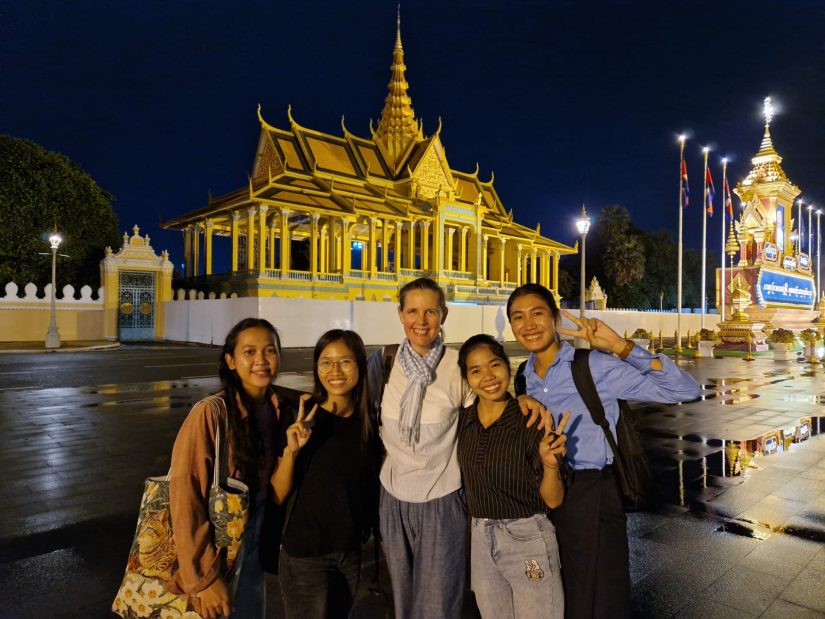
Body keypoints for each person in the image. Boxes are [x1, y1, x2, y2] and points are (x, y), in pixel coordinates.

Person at [506, 283, 701, 619]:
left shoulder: (592, 364)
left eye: (538, 313)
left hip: (592, 490)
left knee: (603, 596)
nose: (528, 324)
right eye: (518, 317)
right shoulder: (524, 375)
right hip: (546, 493)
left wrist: (622, 347)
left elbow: (685, 390)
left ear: (554, 318)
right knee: (559, 591)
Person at [367, 277, 546, 619]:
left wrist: (519, 399)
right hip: (393, 498)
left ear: (443, 315)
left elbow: (488, 400)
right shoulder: (384, 363)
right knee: (402, 601)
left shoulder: (455, 367)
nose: (422, 321)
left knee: (438, 603)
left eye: (431, 311)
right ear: (400, 315)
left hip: (442, 499)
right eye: (413, 311)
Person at [169, 317, 283, 619]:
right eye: (249, 352)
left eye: (270, 350)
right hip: (216, 547)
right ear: (231, 361)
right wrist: (204, 578)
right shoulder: (210, 413)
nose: (261, 360)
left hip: (255, 535)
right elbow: (185, 494)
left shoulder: (278, 409)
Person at [456, 334, 570, 619]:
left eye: (494, 365)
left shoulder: (531, 421)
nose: (488, 377)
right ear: (466, 378)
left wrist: (551, 465)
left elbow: (553, 501)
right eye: (476, 370)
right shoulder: (463, 421)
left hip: (526, 538)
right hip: (480, 539)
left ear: (506, 366)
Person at [272, 329, 379, 619]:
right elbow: (278, 493)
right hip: (306, 555)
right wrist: (292, 452)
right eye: (326, 362)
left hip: (349, 552)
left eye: (345, 361)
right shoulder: (303, 417)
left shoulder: (370, 420)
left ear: (359, 364)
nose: (335, 371)